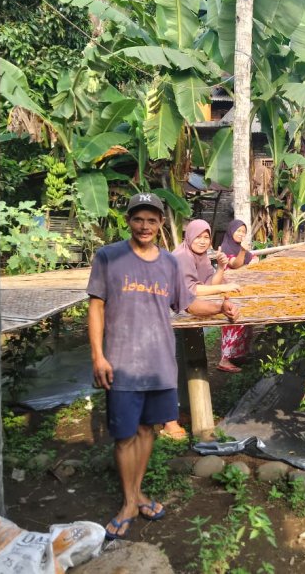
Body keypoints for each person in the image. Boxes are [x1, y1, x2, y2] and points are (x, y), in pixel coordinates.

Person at [88, 193, 239, 540]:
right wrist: (98, 356)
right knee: (125, 436)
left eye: (152, 220)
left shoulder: (169, 263)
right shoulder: (109, 257)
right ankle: (128, 502)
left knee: (146, 431)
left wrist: (219, 310)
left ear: (159, 224)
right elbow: (96, 308)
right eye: (138, 219)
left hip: (158, 363)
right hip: (121, 362)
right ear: (129, 220)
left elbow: (186, 304)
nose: (145, 226)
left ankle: (137, 493)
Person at [173, 219, 241, 373]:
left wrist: (221, 268)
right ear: (189, 236)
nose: (203, 242)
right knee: (179, 366)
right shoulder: (183, 255)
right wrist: (224, 287)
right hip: (170, 316)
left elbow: (209, 283)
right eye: (198, 237)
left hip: (188, 308)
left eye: (206, 237)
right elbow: (192, 290)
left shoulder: (201, 255)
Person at [217, 220, 259, 369]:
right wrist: (243, 252)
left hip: (241, 289)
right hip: (230, 291)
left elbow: (253, 258)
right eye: (238, 231)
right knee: (232, 322)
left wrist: (251, 258)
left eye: (243, 231)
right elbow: (235, 264)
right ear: (231, 230)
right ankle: (225, 359)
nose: (241, 234)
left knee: (244, 322)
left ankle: (239, 356)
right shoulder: (226, 247)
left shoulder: (238, 247)